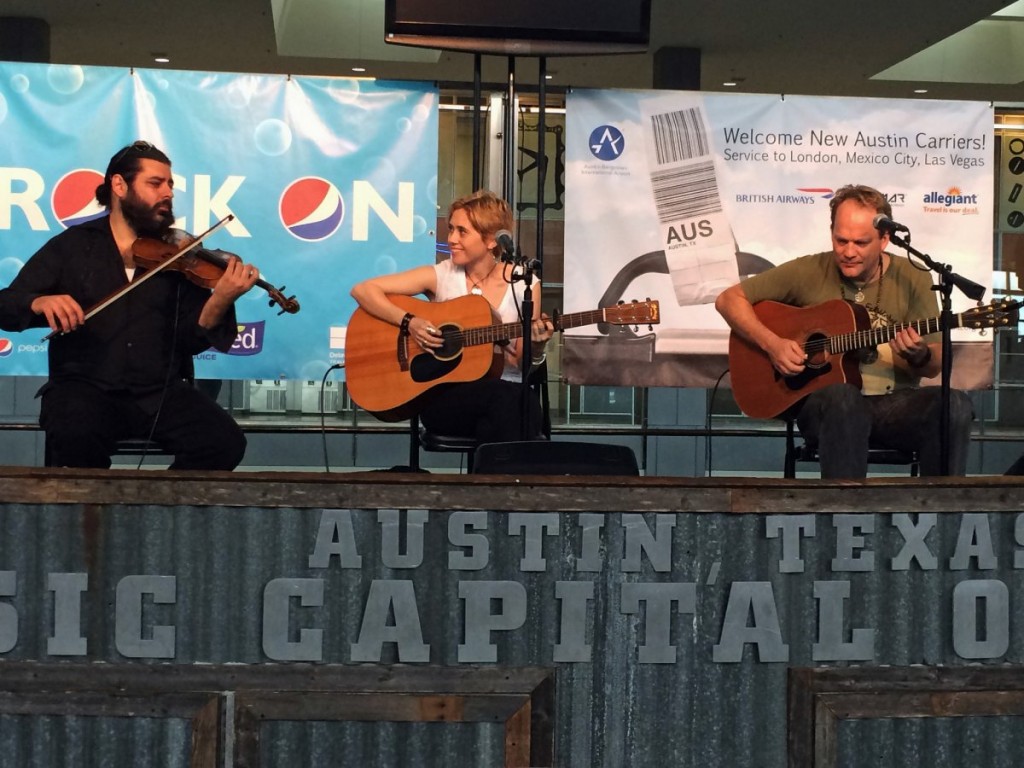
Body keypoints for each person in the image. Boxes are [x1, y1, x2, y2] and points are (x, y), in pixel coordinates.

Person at [0, 140, 259, 469]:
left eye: (170, 185)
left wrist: (221, 299)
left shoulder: (180, 255)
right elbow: (6, 306)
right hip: (84, 388)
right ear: (119, 185)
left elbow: (191, 341)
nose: (167, 193)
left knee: (223, 443)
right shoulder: (72, 246)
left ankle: (157, 513)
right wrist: (38, 301)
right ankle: (90, 518)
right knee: (72, 435)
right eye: (155, 183)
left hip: (158, 391)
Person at [715, 183, 974, 478]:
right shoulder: (809, 270)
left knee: (953, 403)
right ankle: (842, 513)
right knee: (843, 397)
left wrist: (920, 354)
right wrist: (773, 344)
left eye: (861, 243)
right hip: (828, 409)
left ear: (885, 239)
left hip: (893, 407)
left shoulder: (912, 276)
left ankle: (943, 512)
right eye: (841, 241)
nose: (848, 252)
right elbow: (728, 300)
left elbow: (934, 366)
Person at [351, 190, 553, 443]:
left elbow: (519, 365)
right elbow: (363, 290)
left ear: (492, 240)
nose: (452, 239)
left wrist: (537, 345)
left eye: (462, 231)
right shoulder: (441, 275)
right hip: (445, 398)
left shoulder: (523, 284)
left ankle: (489, 480)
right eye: (451, 229)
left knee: (504, 413)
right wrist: (409, 322)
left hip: (506, 395)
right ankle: (512, 482)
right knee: (520, 407)